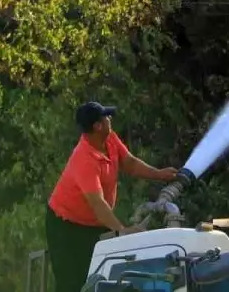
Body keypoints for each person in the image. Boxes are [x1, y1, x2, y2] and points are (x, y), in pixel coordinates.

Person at [45, 101, 179, 292]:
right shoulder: (84, 159)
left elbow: (130, 163)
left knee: (100, 273)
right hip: (65, 225)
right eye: (106, 117)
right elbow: (97, 203)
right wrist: (122, 230)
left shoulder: (109, 139)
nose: (110, 118)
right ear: (97, 126)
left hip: (93, 222)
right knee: (72, 282)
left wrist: (159, 174)